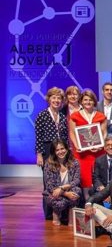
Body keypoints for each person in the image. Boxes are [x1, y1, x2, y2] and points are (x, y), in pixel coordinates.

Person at [35, 87, 68, 219]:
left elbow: (65, 136)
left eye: (58, 98)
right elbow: (38, 136)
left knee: (60, 180)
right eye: (53, 97)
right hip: (47, 149)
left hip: (61, 150)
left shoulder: (63, 116)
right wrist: (39, 154)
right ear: (49, 99)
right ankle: (49, 214)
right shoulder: (42, 115)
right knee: (48, 182)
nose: (56, 100)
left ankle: (61, 211)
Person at [69, 89, 108, 200]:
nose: (88, 102)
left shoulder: (101, 116)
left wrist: (101, 145)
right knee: (85, 177)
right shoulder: (75, 116)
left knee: (98, 176)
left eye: (90, 100)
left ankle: (98, 201)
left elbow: (104, 133)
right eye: (85, 100)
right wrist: (77, 146)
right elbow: (72, 133)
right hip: (82, 153)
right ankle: (87, 201)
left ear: (94, 101)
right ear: (81, 101)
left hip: (98, 152)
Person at [43, 139, 81, 226]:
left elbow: (77, 180)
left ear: (67, 149)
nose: (61, 152)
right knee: (57, 199)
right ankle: (56, 215)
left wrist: (63, 188)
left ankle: (71, 218)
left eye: (62, 148)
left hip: (69, 189)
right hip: (54, 192)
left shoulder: (75, 162)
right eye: (57, 150)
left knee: (76, 192)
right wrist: (65, 194)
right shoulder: (49, 164)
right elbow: (49, 185)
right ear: (54, 152)